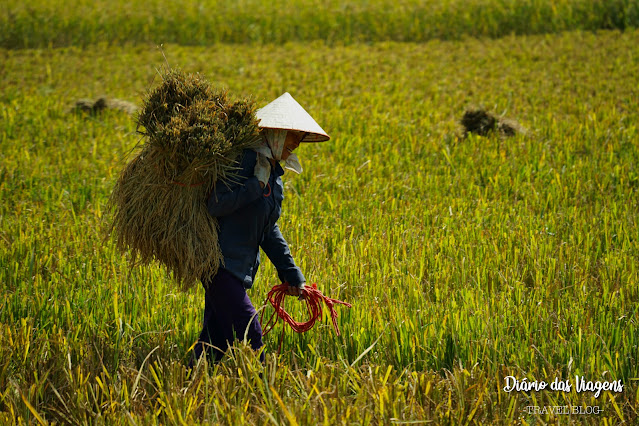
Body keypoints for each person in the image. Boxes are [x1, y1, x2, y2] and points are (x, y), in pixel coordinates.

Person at [192, 92, 330, 364]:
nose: (296, 145)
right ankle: (264, 390)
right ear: (274, 134)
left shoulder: (274, 176)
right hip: (218, 265)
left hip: (238, 269)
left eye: (298, 138)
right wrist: (254, 186)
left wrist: (292, 275)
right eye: (291, 137)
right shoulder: (241, 162)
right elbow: (215, 204)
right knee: (250, 332)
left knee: (213, 344)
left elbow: (268, 231)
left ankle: (187, 387)